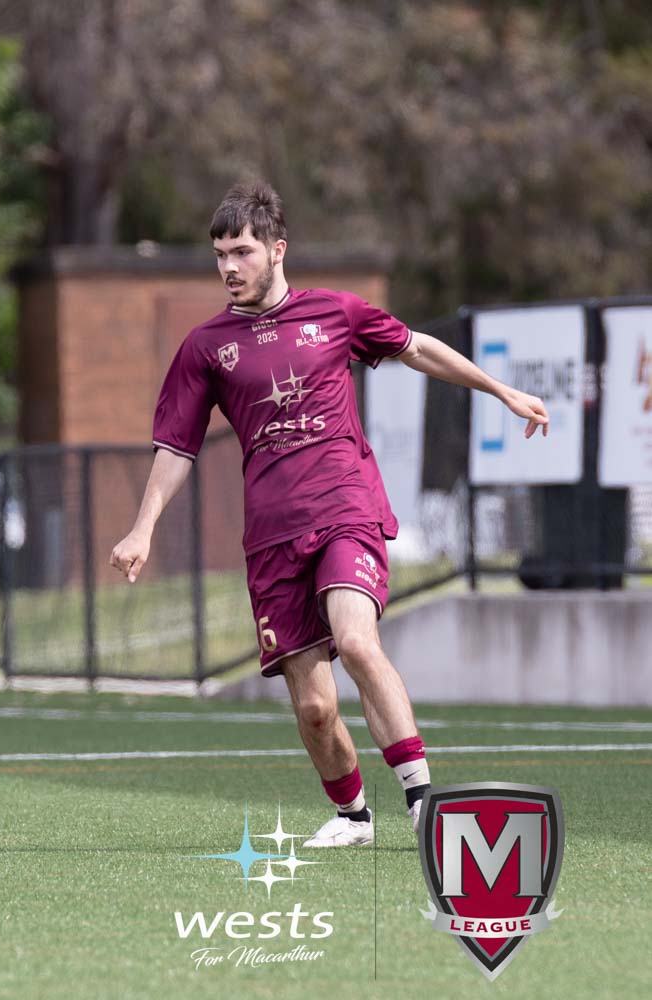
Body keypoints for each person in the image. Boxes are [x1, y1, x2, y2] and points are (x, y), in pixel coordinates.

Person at [110, 182, 549, 847]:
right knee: (315, 707)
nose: (229, 267)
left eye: (242, 251)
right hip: (271, 535)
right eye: (220, 255)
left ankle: (423, 803)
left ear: (277, 249)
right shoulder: (205, 347)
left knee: (357, 641)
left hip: (346, 507)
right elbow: (177, 446)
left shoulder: (335, 313)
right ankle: (353, 817)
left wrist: (502, 390)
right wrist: (142, 527)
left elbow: (417, 348)